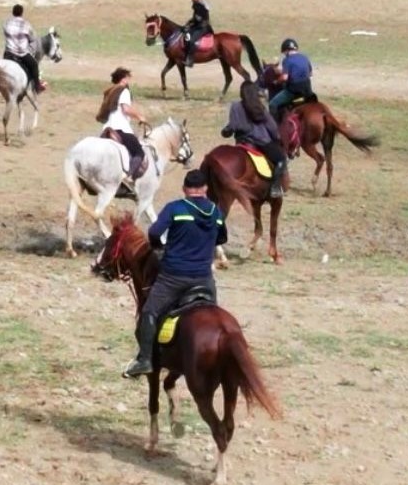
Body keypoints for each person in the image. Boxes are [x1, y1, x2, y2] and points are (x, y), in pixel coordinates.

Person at [123, 169, 227, 379]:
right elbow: (221, 238)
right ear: (205, 189)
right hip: (204, 279)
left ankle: (144, 359)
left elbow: (153, 233)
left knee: (149, 311)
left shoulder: (175, 208)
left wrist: (158, 245)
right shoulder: (216, 212)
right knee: (215, 317)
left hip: (173, 277)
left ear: (185, 189)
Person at [223, 80, 286, 200]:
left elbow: (233, 125)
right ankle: (275, 187)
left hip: (242, 142)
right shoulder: (260, 107)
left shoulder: (235, 106)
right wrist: (277, 138)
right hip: (262, 142)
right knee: (281, 159)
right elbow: (272, 128)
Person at [97, 67, 146, 183]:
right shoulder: (124, 91)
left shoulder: (109, 92)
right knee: (139, 152)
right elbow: (126, 109)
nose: (129, 80)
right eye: (128, 77)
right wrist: (140, 116)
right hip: (120, 128)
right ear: (123, 79)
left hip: (107, 129)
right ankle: (128, 177)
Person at [2, 3, 46, 92]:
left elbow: (6, 34)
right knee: (34, 65)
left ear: (13, 12)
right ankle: (37, 86)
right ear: (22, 13)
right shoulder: (26, 24)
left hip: (8, 54)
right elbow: (32, 38)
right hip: (21, 54)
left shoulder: (6, 23)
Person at [267, 38, 312, 114]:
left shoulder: (287, 60)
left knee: (272, 104)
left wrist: (276, 82)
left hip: (294, 90)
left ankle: (273, 125)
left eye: (284, 52)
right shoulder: (304, 57)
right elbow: (310, 74)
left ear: (286, 51)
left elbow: (284, 78)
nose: (284, 54)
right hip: (307, 89)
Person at [181, 0, 212, 68]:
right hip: (198, 26)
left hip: (203, 27)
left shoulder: (199, 6)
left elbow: (197, 19)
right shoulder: (198, 5)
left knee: (192, 40)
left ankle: (190, 60)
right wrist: (188, 23)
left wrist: (190, 24)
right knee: (186, 35)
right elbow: (195, 18)